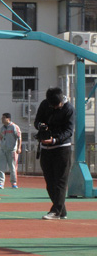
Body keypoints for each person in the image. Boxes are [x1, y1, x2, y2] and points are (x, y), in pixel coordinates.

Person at [34, 87, 74, 220]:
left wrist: (55, 139)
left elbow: (69, 131)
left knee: (60, 181)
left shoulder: (68, 108)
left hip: (62, 148)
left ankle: (56, 211)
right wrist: (41, 126)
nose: (57, 107)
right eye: (54, 106)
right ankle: (61, 211)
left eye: (58, 105)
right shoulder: (45, 105)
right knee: (50, 182)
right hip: (45, 149)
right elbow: (36, 121)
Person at [0, 113, 22, 189]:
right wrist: (3, 144)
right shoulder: (2, 128)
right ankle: (1, 183)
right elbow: (1, 137)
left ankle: (14, 183)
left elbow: (19, 138)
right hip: (3, 150)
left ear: (8, 119)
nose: (2, 119)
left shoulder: (14, 127)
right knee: (1, 167)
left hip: (12, 150)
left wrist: (19, 147)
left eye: (3, 118)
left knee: (13, 167)